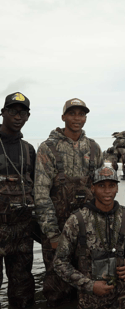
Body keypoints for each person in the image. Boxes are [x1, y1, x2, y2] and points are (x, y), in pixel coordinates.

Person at [53, 166, 125, 309]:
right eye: (101, 186)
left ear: (117, 188)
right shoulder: (77, 220)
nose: (107, 191)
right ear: (92, 188)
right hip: (91, 299)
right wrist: (90, 285)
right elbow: (59, 262)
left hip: (124, 292)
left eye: (112, 185)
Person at [34, 98, 103, 307]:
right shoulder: (48, 148)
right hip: (58, 233)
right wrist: (53, 235)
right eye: (72, 113)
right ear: (63, 117)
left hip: (87, 233)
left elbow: (102, 191)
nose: (77, 118)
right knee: (57, 289)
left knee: (88, 287)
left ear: (85, 118)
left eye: (81, 114)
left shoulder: (94, 148)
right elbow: (41, 193)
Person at [0, 92, 36, 308]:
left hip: (23, 232)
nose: (18, 116)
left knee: (22, 290)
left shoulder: (29, 150)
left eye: (23, 113)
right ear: (3, 112)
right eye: (13, 111)